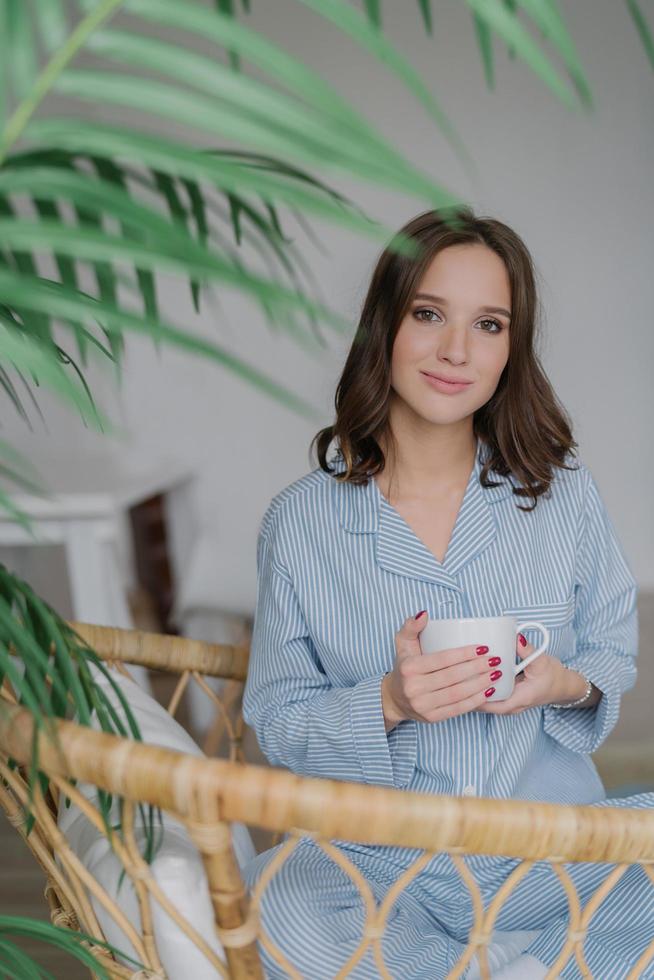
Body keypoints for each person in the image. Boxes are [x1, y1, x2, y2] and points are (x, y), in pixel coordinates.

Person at [241, 206, 653, 979]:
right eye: (429, 314)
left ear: (510, 350)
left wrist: (566, 684)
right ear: (383, 326)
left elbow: (610, 649)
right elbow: (277, 719)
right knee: (282, 914)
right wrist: (389, 700)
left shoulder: (563, 494)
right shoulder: (298, 523)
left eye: (489, 325)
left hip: (551, 854)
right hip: (382, 866)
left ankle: (496, 963)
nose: (457, 350)